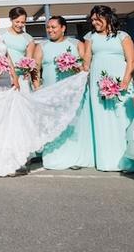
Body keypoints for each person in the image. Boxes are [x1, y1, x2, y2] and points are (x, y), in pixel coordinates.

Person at [0, 8, 89, 177]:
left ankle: (9, 157)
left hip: (6, 81)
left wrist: (15, 78)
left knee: (9, 119)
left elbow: (7, 58)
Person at [83, 5, 134, 172]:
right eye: (92, 20)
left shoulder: (123, 36)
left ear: (107, 17)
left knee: (123, 117)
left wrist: (125, 81)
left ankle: (129, 160)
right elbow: (86, 61)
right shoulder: (90, 37)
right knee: (102, 118)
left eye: (97, 19)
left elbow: (131, 61)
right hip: (97, 82)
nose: (94, 23)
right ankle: (108, 159)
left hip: (120, 79)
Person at [35, 16, 95, 170]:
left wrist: (76, 66)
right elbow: (35, 68)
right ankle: (54, 155)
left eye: (54, 27)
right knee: (53, 122)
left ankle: (74, 156)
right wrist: (37, 87)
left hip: (71, 92)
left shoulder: (76, 44)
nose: (50, 30)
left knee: (72, 122)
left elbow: (85, 66)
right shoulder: (42, 46)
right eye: (48, 27)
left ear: (63, 28)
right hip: (51, 91)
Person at [1, 7, 36, 90]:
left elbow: (29, 60)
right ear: (11, 19)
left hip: (21, 76)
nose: (20, 25)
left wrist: (27, 70)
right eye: (17, 22)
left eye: (23, 22)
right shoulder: (0, 34)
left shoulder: (29, 38)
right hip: (4, 75)